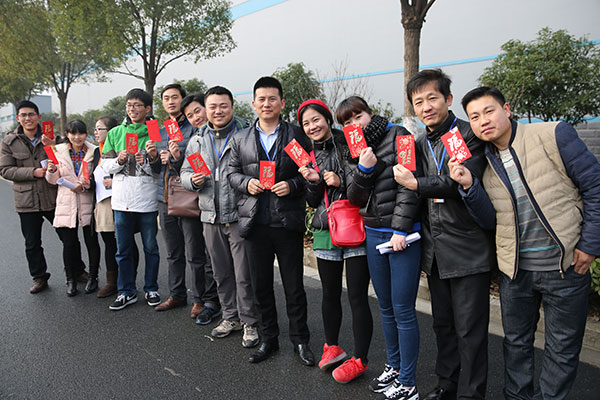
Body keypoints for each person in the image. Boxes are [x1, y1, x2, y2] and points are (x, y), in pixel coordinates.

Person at [449, 86, 600, 400]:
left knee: (562, 349)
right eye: (474, 117)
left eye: (489, 111)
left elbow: (595, 186)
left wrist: (589, 245)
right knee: (516, 345)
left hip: (565, 267)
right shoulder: (483, 161)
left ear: (506, 109)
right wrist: (469, 186)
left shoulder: (553, 134)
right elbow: (489, 220)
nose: (482, 121)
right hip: (515, 272)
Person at [396, 70, 494, 400]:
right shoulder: (419, 142)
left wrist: (416, 184)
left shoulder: (468, 135)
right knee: (443, 325)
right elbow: (410, 191)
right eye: (418, 102)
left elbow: (461, 181)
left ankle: (471, 394)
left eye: (432, 98)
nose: (426, 107)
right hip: (435, 250)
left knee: (470, 331)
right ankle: (446, 385)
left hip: (467, 248)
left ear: (448, 99)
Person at [228, 76, 314, 365]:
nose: (267, 104)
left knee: (294, 286)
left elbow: (309, 173)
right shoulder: (240, 138)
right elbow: (231, 173)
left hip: (287, 222)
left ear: (282, 103)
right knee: (261, 286)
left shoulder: (296, 135)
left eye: (272, 99)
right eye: (262, 99)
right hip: (255, 223)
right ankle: (269, 339)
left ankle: (300, 340)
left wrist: (292, 185)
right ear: (254, 104)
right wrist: (246, 183)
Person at [340, 96, 421, 400]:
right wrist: (363, 167)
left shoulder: (399, 135)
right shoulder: (354, 148)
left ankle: (408, 383)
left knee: (403, 309)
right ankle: (395, 367)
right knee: (385, 306)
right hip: (373, 231)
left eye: (357, 116)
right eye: (347, 122)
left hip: (402, 235)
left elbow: (410, 185)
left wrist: (401, 228)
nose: (354, 125)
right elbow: (355, 197)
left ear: (370, 113)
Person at [297, 99, 373, 383]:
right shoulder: (307, 154)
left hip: (354, 225)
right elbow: (311, 200)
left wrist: (340, 180)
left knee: (357, 296)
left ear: (328, 119)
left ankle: (360, 358)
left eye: (316, 119)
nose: (312, 126)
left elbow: (366, 182)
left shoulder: (351, 141)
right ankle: (333, 347)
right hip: (325, 229)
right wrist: (314, 181)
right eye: (306, 123)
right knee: (329, 293)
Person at [180, 86, 260, 347]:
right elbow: (184, 173)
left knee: (243, 274)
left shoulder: (247, 134)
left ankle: (249, 322)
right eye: (212, 106)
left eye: (223, 105)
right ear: (206, 108)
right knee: (221, 272)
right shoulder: (197, 140)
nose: (218, 111)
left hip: (239, 215)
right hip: (210, 216)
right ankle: (230, 317)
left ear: (232, 107)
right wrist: (191, 180)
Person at [147, 84, 220, 321]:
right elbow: (156, 170)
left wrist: (177, 158)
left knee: (195, 252)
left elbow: (197, 164)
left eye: (175, 97)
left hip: (189, 197)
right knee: (173, 252)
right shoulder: (158, 130)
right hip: (164, 197)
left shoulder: (195, 127)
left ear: (182, 99)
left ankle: (200, 298)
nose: (170, 102)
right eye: (166, 98)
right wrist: (152, 157)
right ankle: (177, 294)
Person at [0, 100, 86, 293]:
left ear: (39, 117)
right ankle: (39, 277)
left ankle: (78, 270)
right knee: (32, 243)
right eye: (23, 115)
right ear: (18, 118)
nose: (28, 118)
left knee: (69, 237)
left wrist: (53, 146)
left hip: (53, 197)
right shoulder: (9, 141)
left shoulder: (53, 137)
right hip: (26, 200)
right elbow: (5, 169)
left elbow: (67, 160)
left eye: (31, 114)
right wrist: (33, 172)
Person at [102, 88, 161, 311]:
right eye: (129, 105)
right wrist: (119, 160)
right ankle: (126, 291)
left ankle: (151, 288)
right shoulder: (115, 132)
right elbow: (104, 165)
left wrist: (151, 158)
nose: (132, 109)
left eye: (137, 105)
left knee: (151, 248)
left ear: (148, 109)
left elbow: (160, 169)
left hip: (147, 199)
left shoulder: (156, 132)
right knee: (123, 249)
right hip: (121, 200)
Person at [45, 119, 100, 296]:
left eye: (81, 133)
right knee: (68, 244)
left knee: (91, 242)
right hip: (66, 203)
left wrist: (84, 185)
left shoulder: (94, 151)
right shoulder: (57, 151)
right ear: (67, 135)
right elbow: (53, 181)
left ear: (86, 134)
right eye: (73, 133)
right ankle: (70, 279)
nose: (77, 137)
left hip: (87, 201)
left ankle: (93, 277)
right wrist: (51, 171)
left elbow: (97, 177)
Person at [93, 116, 140, 298]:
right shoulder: (96, 151)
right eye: (95, 129)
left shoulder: (123, 147)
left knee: (126, 242)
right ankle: (112, 281)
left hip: (122, 200)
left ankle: (129, 280)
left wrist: (115, 182)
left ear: (111, 131)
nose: (96, 132)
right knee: (108, 242)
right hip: (103, 202)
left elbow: (134, 172)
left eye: (99, 129)